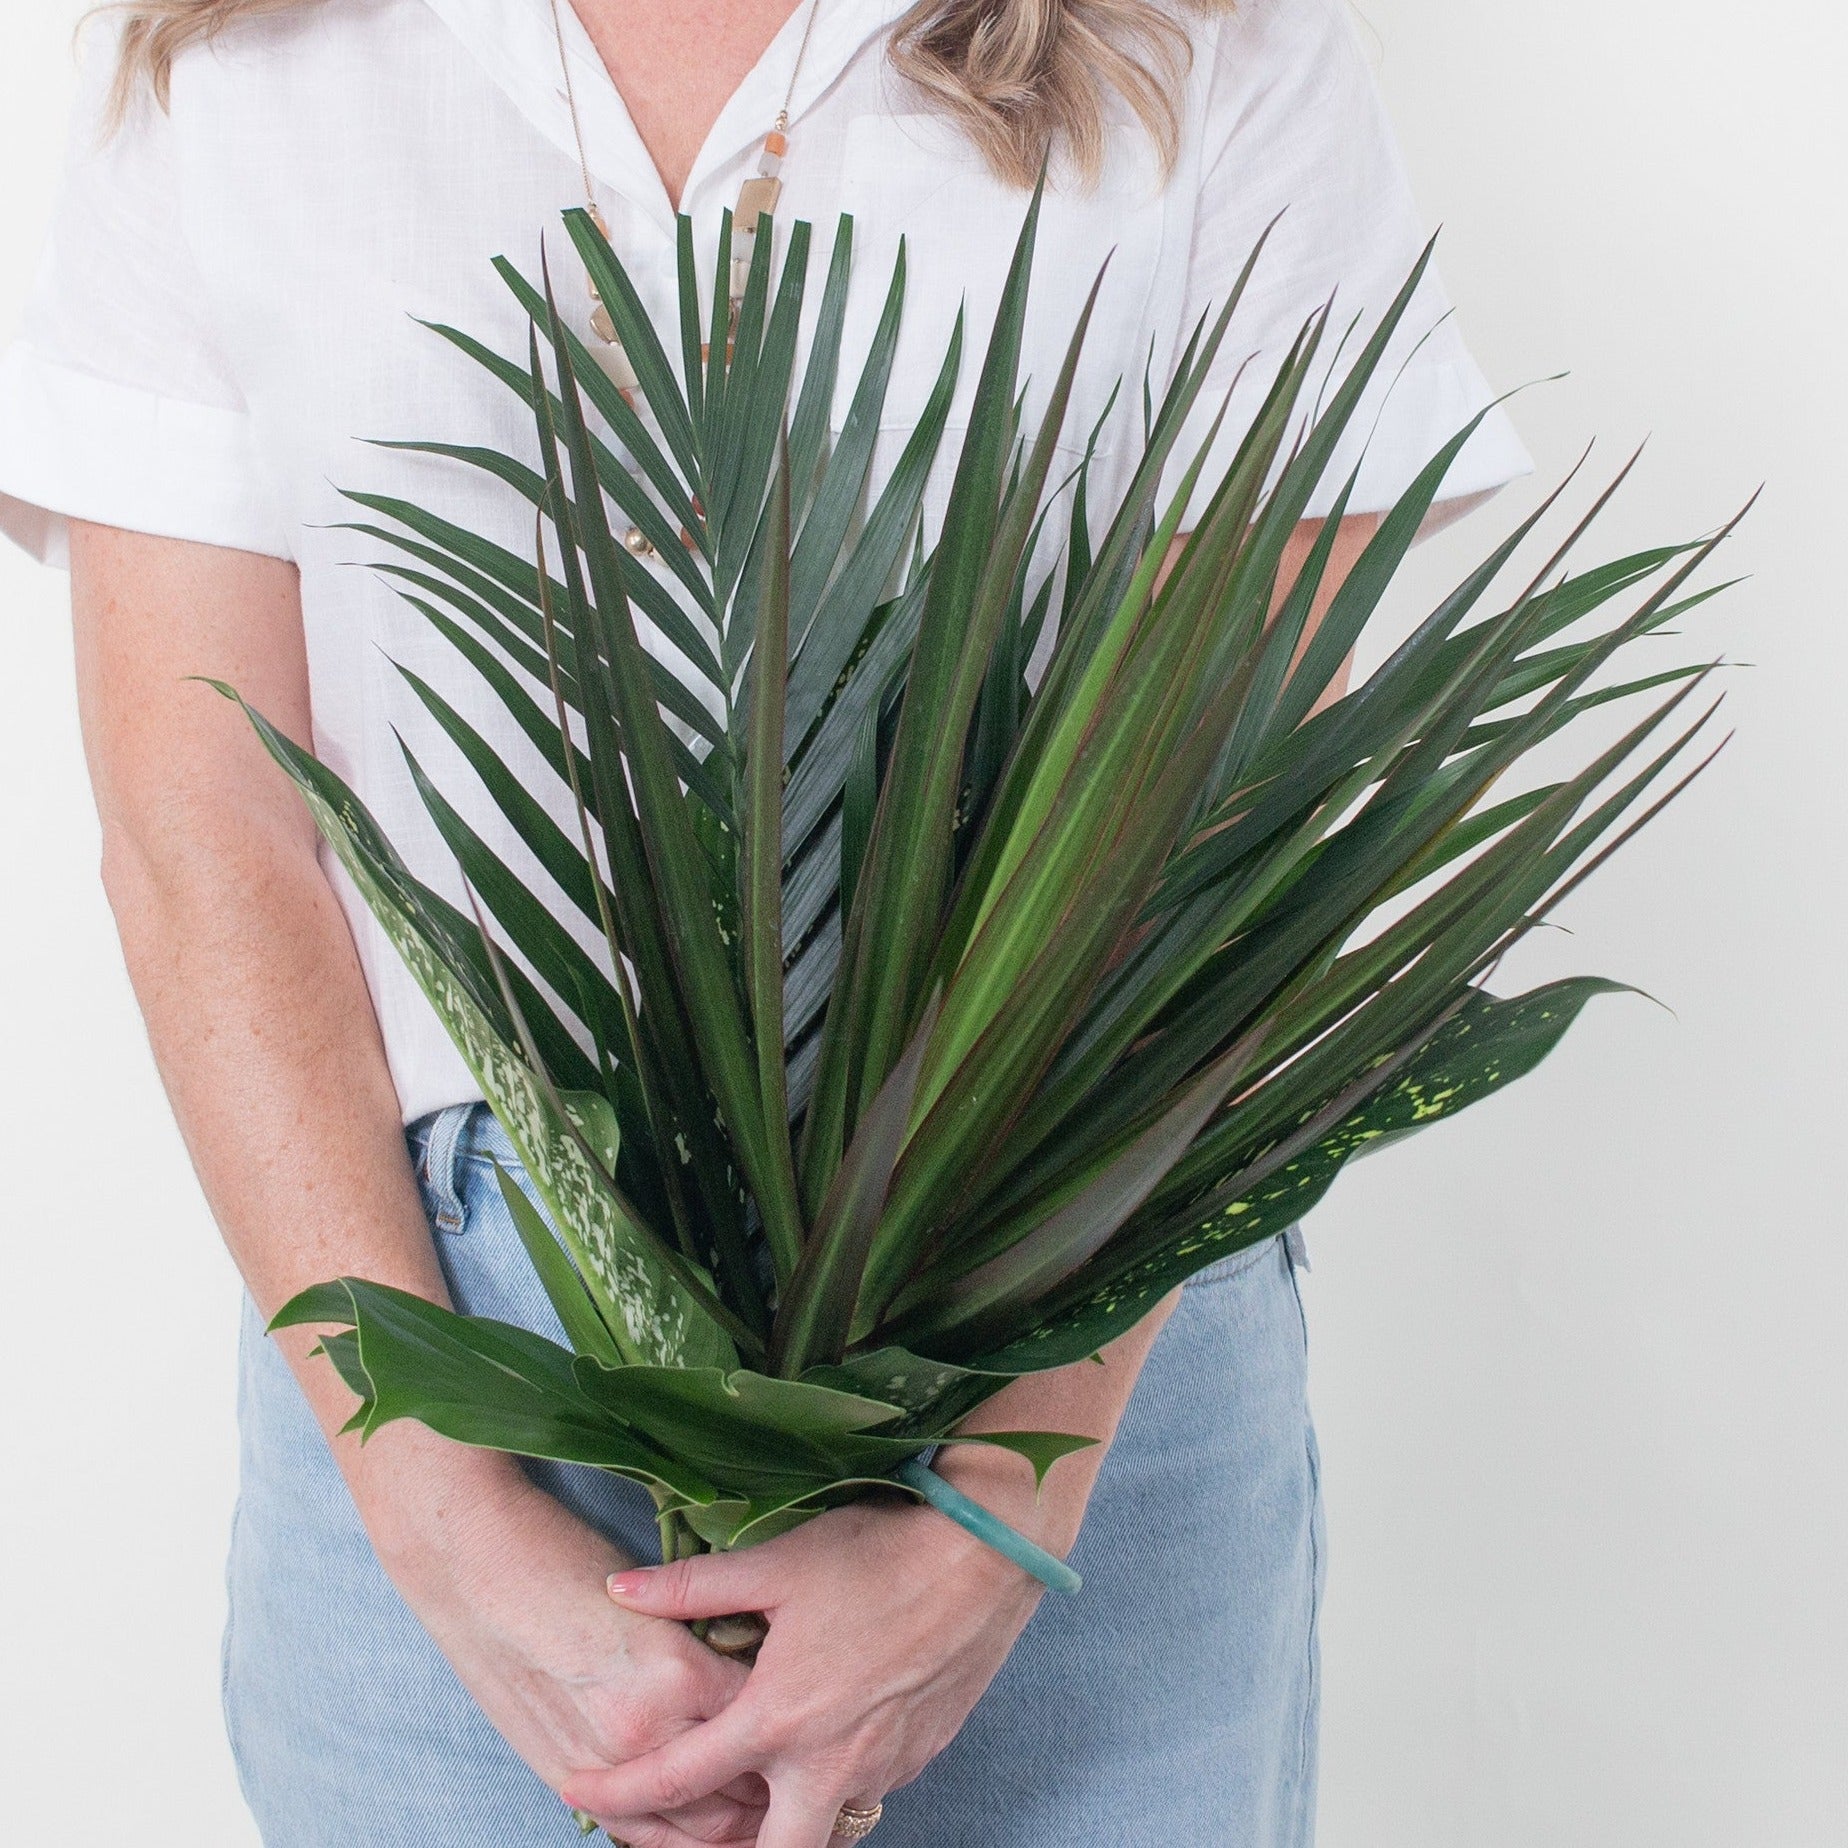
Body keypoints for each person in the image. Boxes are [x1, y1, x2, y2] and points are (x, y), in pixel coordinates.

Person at [0, 1, 1528, 1842]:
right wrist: (447, 1521)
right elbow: (205, 832)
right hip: (437, 1328)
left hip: (1069, 1316)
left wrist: (996, 1506)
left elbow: (1217, 809)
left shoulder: (1200, 43)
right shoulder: (241, 62)